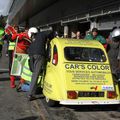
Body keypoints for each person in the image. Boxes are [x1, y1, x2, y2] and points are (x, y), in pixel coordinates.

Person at [27, 27, 54, 101]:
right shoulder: (41, 34)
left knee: (34, 73)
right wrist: (51, 38)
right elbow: (50, 32)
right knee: (36, 74)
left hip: (31, 55)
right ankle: (30, 94)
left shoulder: (33, 38)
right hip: (39, 55)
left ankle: (33, 90)